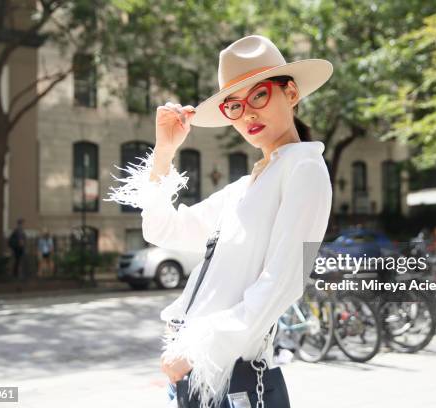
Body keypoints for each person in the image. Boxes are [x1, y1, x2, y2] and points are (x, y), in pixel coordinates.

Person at [106, 34, 333, 407]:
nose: (248, 114)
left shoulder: (305, 168)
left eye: (258, 95)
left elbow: (286, 282)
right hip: (197, 378)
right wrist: (164, 153)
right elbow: (163, 229)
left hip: (232, 378)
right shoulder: (245, 188)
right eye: (234, 105)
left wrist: (195, 349)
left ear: (290, 92)